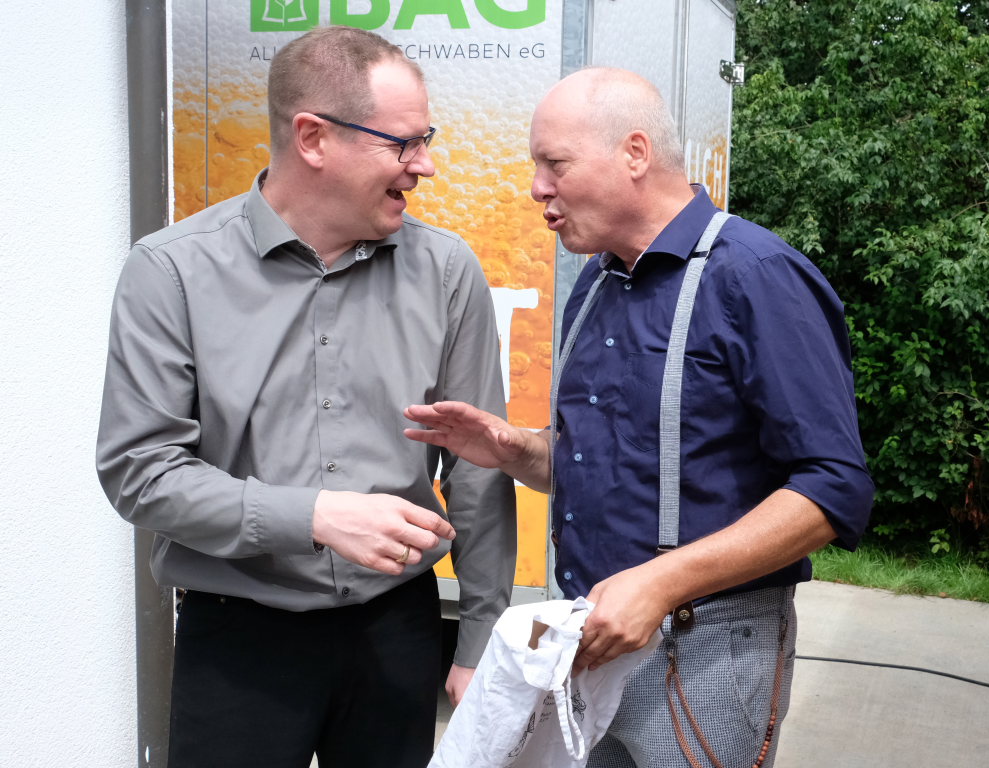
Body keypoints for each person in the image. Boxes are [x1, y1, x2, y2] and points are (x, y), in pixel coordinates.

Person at [405, 67, 874, 768]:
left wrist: (660, 583)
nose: (536, 188)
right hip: (591, 639)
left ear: (634, 153)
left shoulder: (755, 276)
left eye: (554, 163)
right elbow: (618, 462)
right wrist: (513, 449)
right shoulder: (599, 280)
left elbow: (834, 489)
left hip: (708, 649)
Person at [97, 26, 516, 768]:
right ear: (313, 138)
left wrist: (481, 636)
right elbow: (141, 473)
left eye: (426, 140)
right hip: (238, 641)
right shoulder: (170, 273)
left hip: (399, 633)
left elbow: (477, 469)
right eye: (403, 144)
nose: (424, 165)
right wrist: (315, 516)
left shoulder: (449, 271)